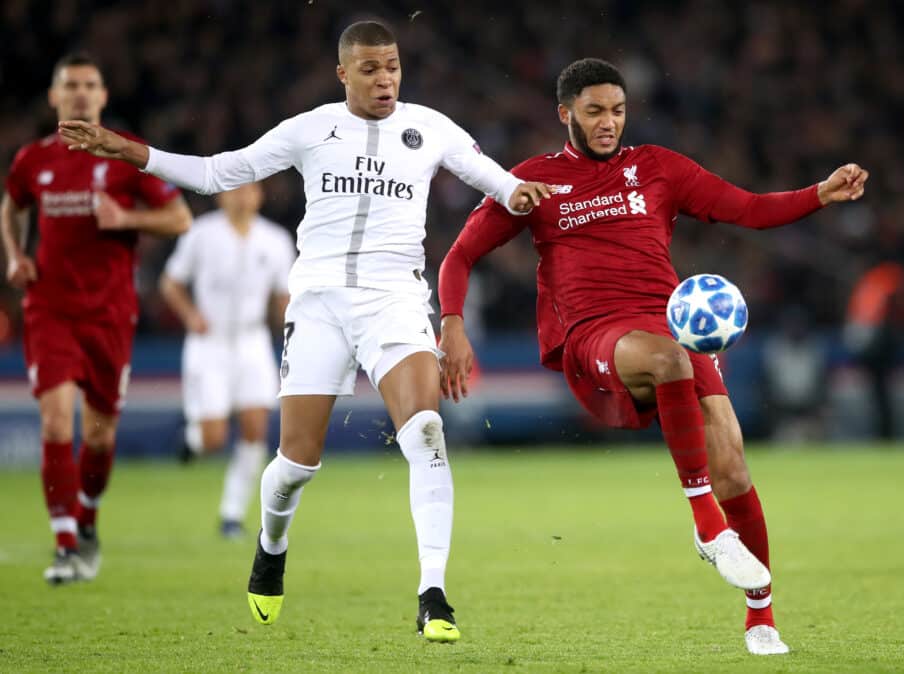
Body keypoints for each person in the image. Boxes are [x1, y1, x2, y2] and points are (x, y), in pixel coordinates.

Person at [59, 21, 550, 640]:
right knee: (296, 462)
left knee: (426, 432)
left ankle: (433, 593)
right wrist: (127, 148)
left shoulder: (433, 129)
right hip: (318, 303)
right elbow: (217, 173)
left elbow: (503, 186)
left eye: (393, 66)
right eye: (370, 69)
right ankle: (271, 543)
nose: (385, 79)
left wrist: (531, 193)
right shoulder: (309, 128)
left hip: (395, 301)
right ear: (343, 73)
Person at [437, 58, 868, 655]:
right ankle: (703, 521)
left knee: (735, 470)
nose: (609, 122)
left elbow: (746, 209)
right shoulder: (534, 181)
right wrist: (452, 324)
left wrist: (819, 194)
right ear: (565, 114)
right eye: (594, 111)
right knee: (668, 361)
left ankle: (761, 617)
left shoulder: (658, 168)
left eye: (616, 110)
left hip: (670, 326)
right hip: (596, 335)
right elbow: (458, 256)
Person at [1, 53, 191, 585]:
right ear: (54, 97)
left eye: (90, 85)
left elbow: (179, 218)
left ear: (103, 97)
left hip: (109, 314)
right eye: (71, 85)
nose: (80, 94)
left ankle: (86, 517)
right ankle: (65, 544)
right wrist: (14, 254)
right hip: (50, 309)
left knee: (100, 437)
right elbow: (11, 204)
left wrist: (127, 218)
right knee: (57, 422)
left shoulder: (124, 155)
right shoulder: (32, 160)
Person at [159, 182, 294, 538]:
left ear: (260, 195)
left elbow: (284, 296)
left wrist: (292, 323)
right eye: (235, 190)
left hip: (252, 341)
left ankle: (231, 514)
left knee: (255, 428)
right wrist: (190, 316)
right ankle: (193, 441)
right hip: (210, 342)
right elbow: (170, 283)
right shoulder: (201, 234)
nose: (242, 197)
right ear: (221, 196)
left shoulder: (275, 240)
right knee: (214, 437)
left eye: (249, 190)